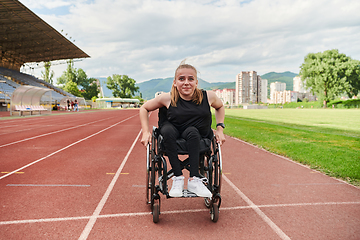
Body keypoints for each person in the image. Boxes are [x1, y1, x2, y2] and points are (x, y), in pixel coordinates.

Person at [140, 61, 225, 198]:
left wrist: (220, 129)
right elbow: (144, 108)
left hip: (196, 135)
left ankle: (194, 179)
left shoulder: (208, 96)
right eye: (181, 79)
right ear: (175, 82)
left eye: (190, 79)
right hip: (172, 133)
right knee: (167, 130)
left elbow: (220, 107)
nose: (186, 82)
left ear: (196, 82)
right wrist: (145, 132)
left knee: (193, 132)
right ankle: (178, 178)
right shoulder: (167, 98)